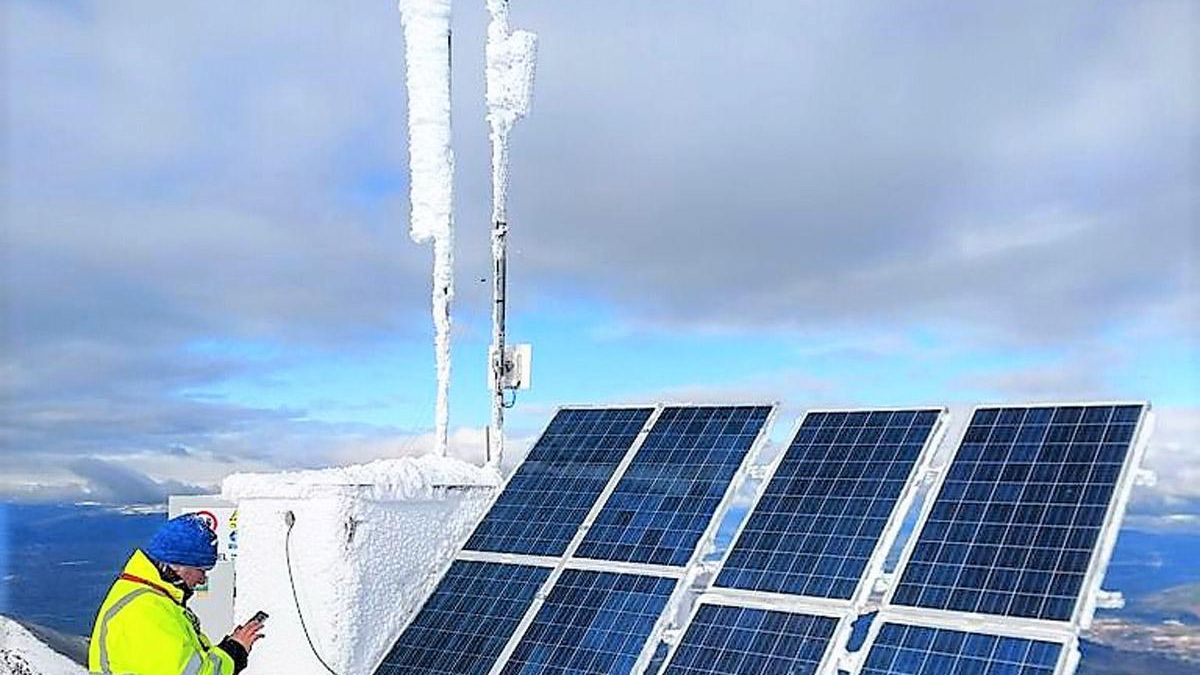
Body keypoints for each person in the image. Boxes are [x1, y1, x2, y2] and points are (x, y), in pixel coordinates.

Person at [88, 514, 263, 674]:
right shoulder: (146, 610)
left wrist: (228, 648)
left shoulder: (150, 599)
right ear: (177, 565)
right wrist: (235, 651)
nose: (202, 580)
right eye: (201, 570)